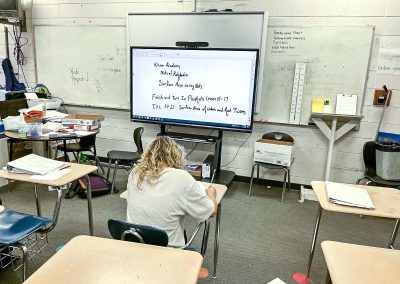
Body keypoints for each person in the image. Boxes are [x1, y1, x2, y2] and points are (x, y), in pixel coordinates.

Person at [126, 136, 218, 247]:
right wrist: (212, 193)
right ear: (175, 155)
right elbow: (210, 211)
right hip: (168, 253)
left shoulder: (135, 173)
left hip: (135, 246)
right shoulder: (181, 178)